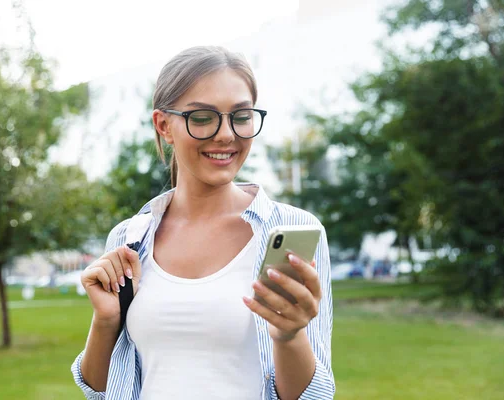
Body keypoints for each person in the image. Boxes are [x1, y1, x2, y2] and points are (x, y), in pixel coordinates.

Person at [72, 46, 335, 400]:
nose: (226, 134)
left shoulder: (292, 230)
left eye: (240, 116)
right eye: (202, 117)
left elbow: (310, 396)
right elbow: (104, 391)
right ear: (164, 125)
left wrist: (289, 335)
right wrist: (106, 322)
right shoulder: (130, 238)